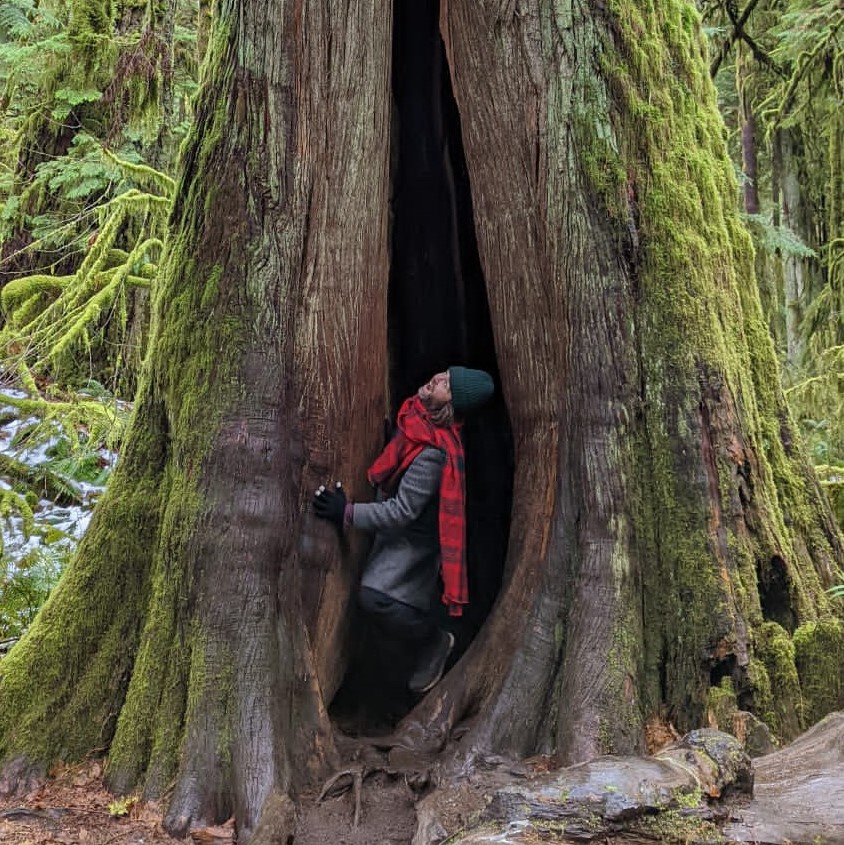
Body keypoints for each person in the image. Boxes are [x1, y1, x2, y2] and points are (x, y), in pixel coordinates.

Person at [313, 366, 494, 693]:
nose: (439, 379)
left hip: (413, 541)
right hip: (391, 526)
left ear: (448, 407)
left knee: (375, 598)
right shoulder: (414, 419)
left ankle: (433, 640)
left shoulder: (434, 453)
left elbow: (402, 511)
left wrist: (346, 512)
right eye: (446, 375)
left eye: (448, 387)